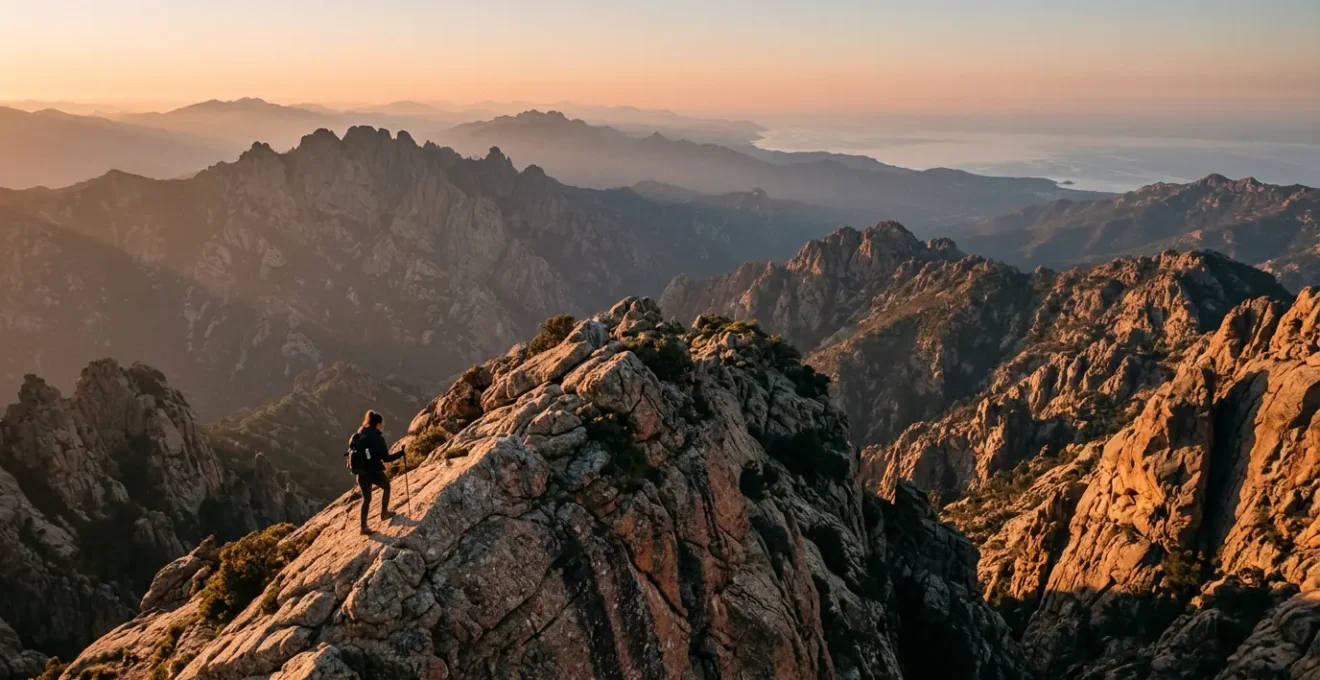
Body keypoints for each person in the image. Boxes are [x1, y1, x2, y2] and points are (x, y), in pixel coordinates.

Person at [347, 410, 406, 535]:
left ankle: (363, 527)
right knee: (387, 486)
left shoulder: (361, 432)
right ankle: (384, 513)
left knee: (366, 499)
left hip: (360, 472)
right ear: (378, 424)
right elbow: (387, 459)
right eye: (381, 424)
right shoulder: (378, 438)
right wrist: (401, 453)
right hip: (373, 471)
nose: (382, 426)